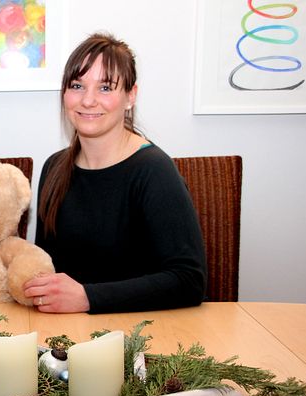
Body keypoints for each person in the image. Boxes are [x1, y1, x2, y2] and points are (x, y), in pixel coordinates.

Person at [24, 33, 206, 313]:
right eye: (77, 85)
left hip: (142, 337)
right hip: (66, 336)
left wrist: (88, 297)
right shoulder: (54, 168)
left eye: (106, 88)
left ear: (130, 96)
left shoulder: (154, 170)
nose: (88, 100)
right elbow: (47, 270)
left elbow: (189, 280)